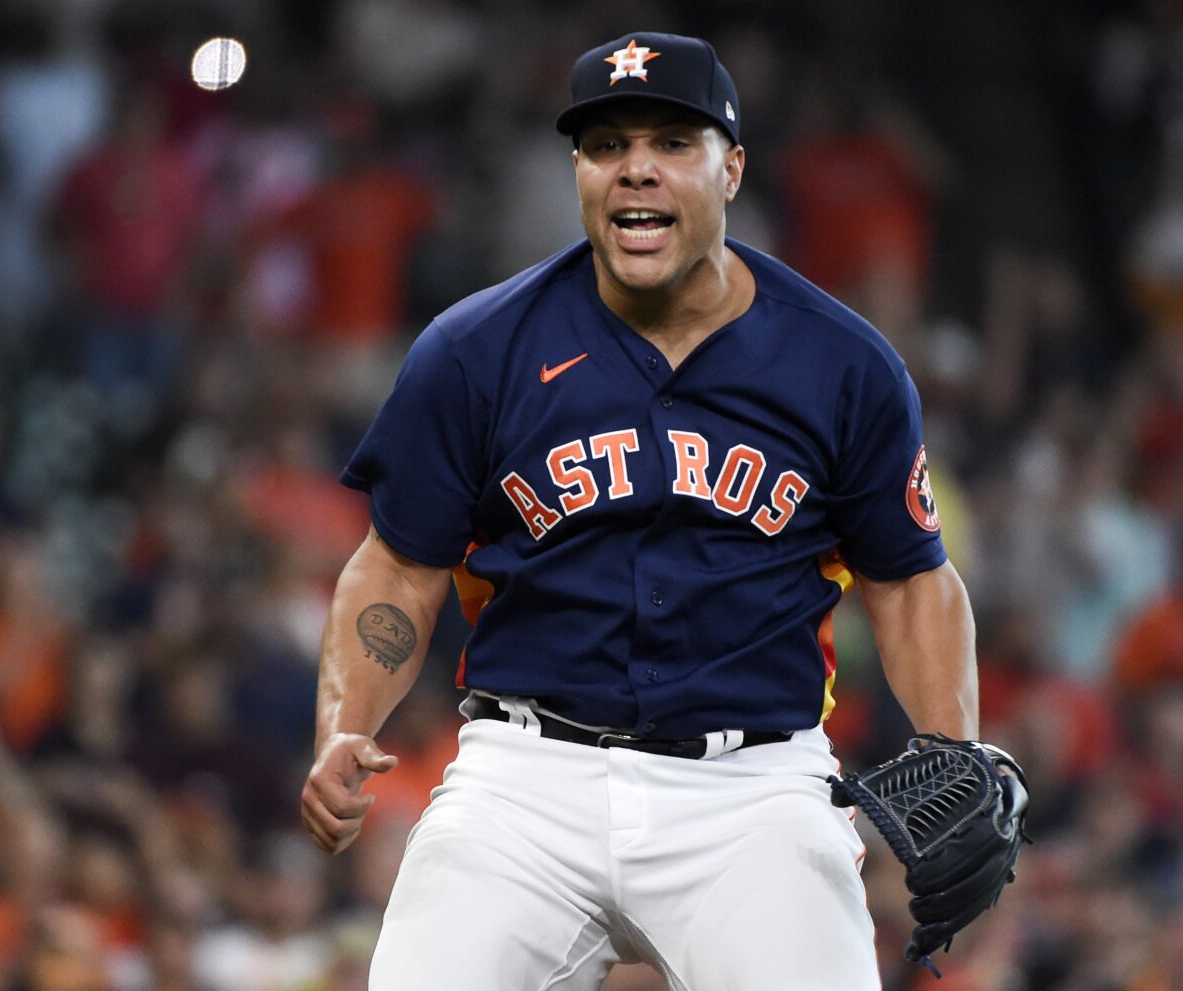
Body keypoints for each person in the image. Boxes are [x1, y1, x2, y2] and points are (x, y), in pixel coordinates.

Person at [301, 32, 983, 990]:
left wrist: (951, 748)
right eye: (607, 145)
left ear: (732, 167)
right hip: (525, 784)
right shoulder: (475, 350)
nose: (637, 172)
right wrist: (343, 721)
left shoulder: (843, 362)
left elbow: (910, 578)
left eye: (671, 142)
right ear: (579, 169)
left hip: (752, 791)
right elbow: (397, 565)